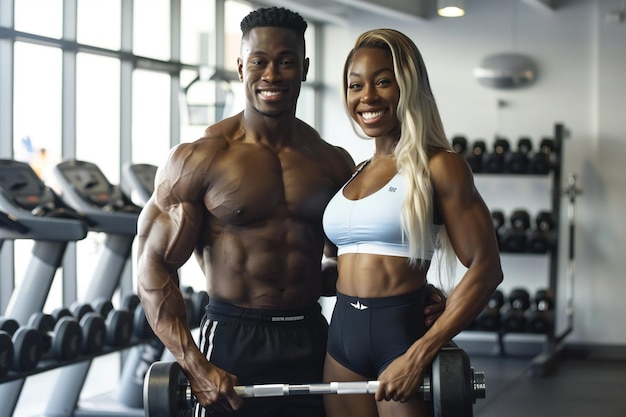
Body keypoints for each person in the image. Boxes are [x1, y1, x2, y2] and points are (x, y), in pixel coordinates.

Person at [137, 8, 446, 417]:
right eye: (259, 62)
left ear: (304, 68)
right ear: (240, 67)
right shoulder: (199, 159)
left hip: (310, 333)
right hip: (232, 337)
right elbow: (152, 265)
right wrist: (193, 363)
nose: (272, 75)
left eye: (285, 62)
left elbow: (344, 267)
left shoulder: (333, 163)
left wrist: (401, 293)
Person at [321, 28, 504, 417]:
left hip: (400, 341)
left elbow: (487, 268)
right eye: (356, 85)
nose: (366, 97)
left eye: (383, 82)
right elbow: (337, 264)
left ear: (408, 86)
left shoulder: (440, 166)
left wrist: (422, 351)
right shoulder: (355, 171)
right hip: (341, 339)